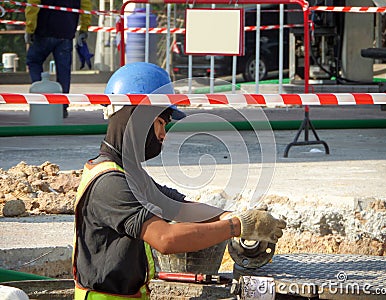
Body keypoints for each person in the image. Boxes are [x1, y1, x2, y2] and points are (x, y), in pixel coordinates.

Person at [73, 62, 286, 299]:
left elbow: (178, 207)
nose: (164, 135)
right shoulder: (111, 182)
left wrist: (229, 215)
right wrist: (237, 226)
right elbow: (165, 239)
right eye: (161, 123)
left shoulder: (127, 173)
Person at [24, 0, 92, 118]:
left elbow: (33, 5)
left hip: (44, 31)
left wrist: (30, 29)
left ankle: (41, 98)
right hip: (66, 32)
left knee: (33, 61)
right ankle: (62, 107)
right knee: (64, 71)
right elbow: (86, 6)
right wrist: (84, 28)